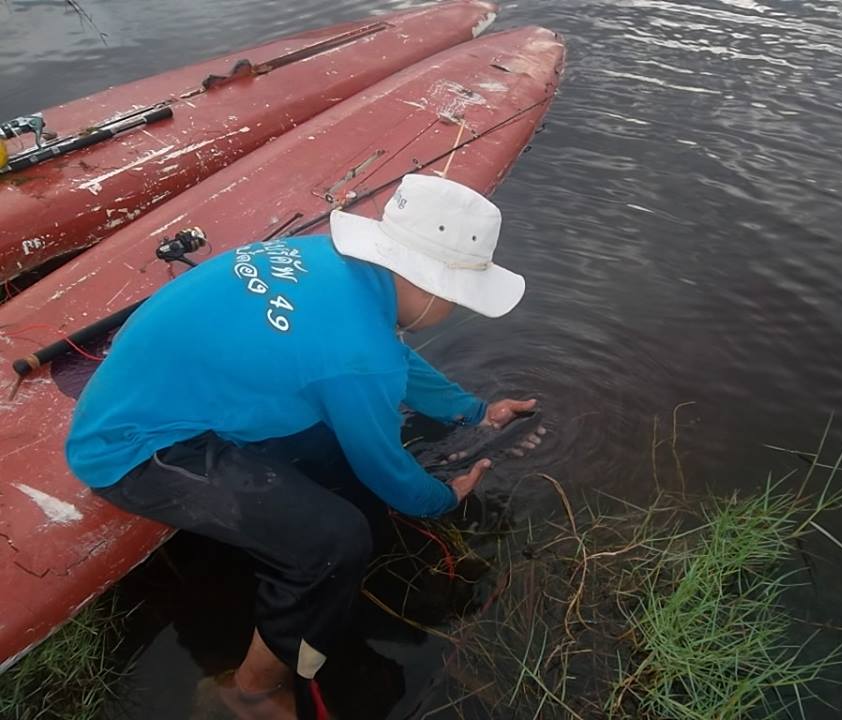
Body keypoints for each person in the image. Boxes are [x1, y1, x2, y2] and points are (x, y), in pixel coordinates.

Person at [65, 174, 538, 720]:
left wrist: (475, 412)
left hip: (154, 390)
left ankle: (278, 575)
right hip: (132, 446)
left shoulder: (331, 263)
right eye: (458, 299)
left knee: (335, 453)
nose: (457, 309)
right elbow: (384, 462)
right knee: (334, 542)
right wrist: (441, 498)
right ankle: (250, 691)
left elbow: (383, 359)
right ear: (430, 283)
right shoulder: (359, 352)